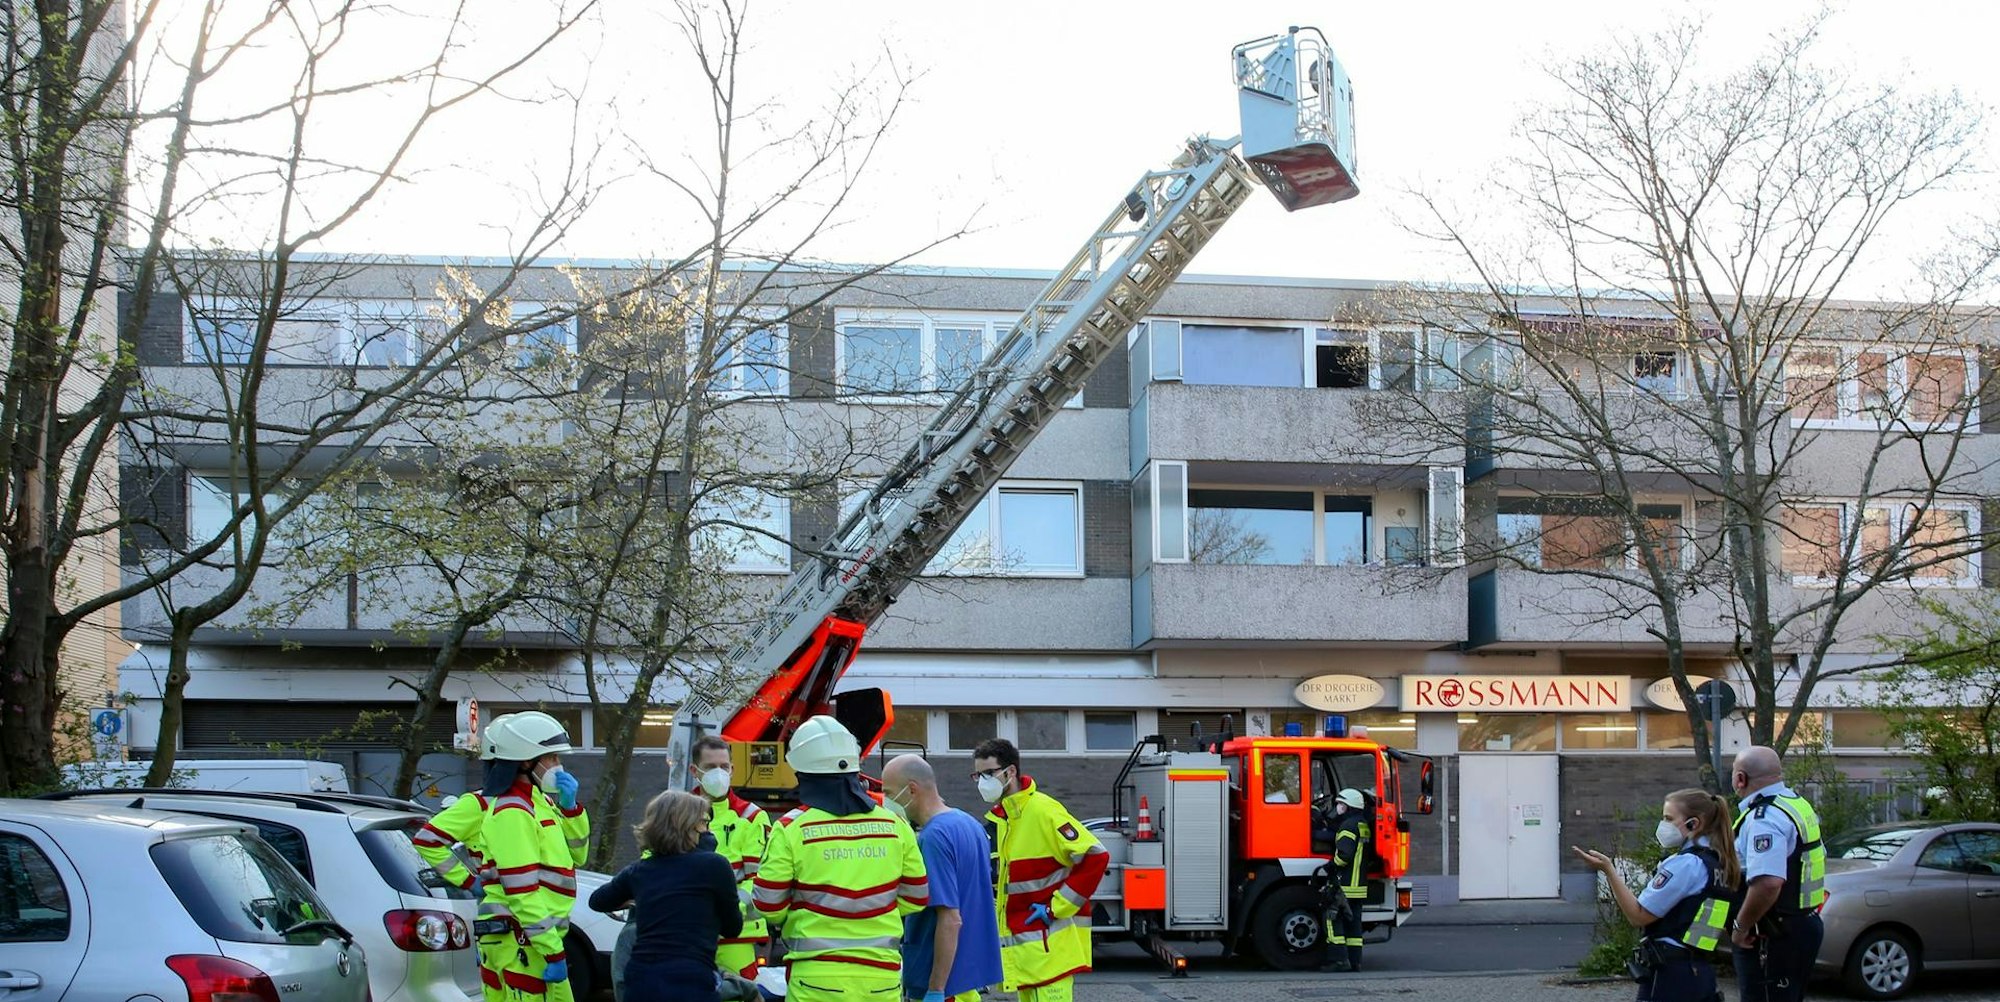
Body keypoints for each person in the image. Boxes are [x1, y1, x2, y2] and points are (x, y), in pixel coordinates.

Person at [414, 711, 591, 1002]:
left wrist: (570, 809)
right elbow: (522, 891)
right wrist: (467, 880)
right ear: (525, 760)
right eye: (552, 758)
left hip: (534, 938)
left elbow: (577, 855)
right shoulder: (507, 809)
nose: (558, 766)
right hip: (520, 938)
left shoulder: (541, 802)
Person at [752, 716, 929, 1001]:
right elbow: (917, 898)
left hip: (816, 980)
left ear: (803, 774)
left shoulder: (791, 828)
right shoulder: (895, 824)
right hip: (882, 979)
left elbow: (768, 906)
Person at [972, 738, 1109, 1002]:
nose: (982, 781)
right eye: (977, 775)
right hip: (1031, 957)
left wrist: (1055, 908)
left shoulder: (1043, 811)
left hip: (1050, 954)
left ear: (1010, 772)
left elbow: (1096, 855)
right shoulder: (1006, 819)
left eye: (988, 773)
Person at [1574, 788, 1741, 1002]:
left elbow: (1639, 915)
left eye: (1669, 819)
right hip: (1699, 969)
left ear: (1694, 823)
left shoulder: (1687, 864)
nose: (1663, 825)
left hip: (1671, 974)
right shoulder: (1719, 864)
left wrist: (1608, 870)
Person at [590, 790, 742, 1002]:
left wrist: (637, 899)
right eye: (705, 822)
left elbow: (597, 901)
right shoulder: (715, 866)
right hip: (692, 983)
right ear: (691, 825)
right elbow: (733, 928)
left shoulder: (640, 870)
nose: (708, 829)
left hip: (641, 982)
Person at [880, 753, 1003, 1002]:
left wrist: (935, 989)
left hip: (940, 983)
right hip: (966, 980)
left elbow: (950, 919)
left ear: (911, 790)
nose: (886, 802)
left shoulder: (933, 838)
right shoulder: (970, 824)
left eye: (889, 793)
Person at [1729, 746, 1827, 1002]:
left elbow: (1768, 883)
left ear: (1741, 778)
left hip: (1771, 933)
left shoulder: (1765, 818)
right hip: (1800, 924)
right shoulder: (1794, 803)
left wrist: (1741, 925)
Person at [1321, 788, 1370, 973]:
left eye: (1341, 804)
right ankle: (1355, 962)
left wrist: (1331, 866)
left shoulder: (1348, 826)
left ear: (1349, 806)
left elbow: (1345, 855)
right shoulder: (1362, 824)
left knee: (1332, 919)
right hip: (1358, 887)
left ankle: (1338, 961)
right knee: (1354, 925)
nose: (1338, 807)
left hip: (1345, 884)